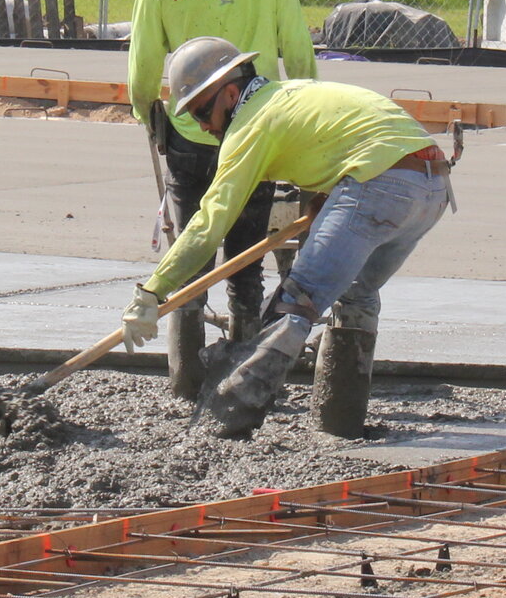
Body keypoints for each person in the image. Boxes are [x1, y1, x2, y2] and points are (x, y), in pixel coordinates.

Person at [121, 36, 450, 439]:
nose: (205, 127)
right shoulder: (292, 94)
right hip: (432, 188)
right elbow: (342, 138)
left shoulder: (252, 124)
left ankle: (222, 422)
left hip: (378, 184)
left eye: (203, 112)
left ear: (229, 92)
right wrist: (327, 199)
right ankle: (339, 422)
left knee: (297, 303)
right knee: (357, 295)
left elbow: (210, 223)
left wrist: (152, 292)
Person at [120, 0, 319, 400]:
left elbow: (141, 77)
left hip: (191, 137)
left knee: (189, 246)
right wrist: (301, 110)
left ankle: (186, 383)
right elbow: (296, 46)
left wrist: (151, 120)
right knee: (246, 252)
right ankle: (248, 370)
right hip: (259, 128)